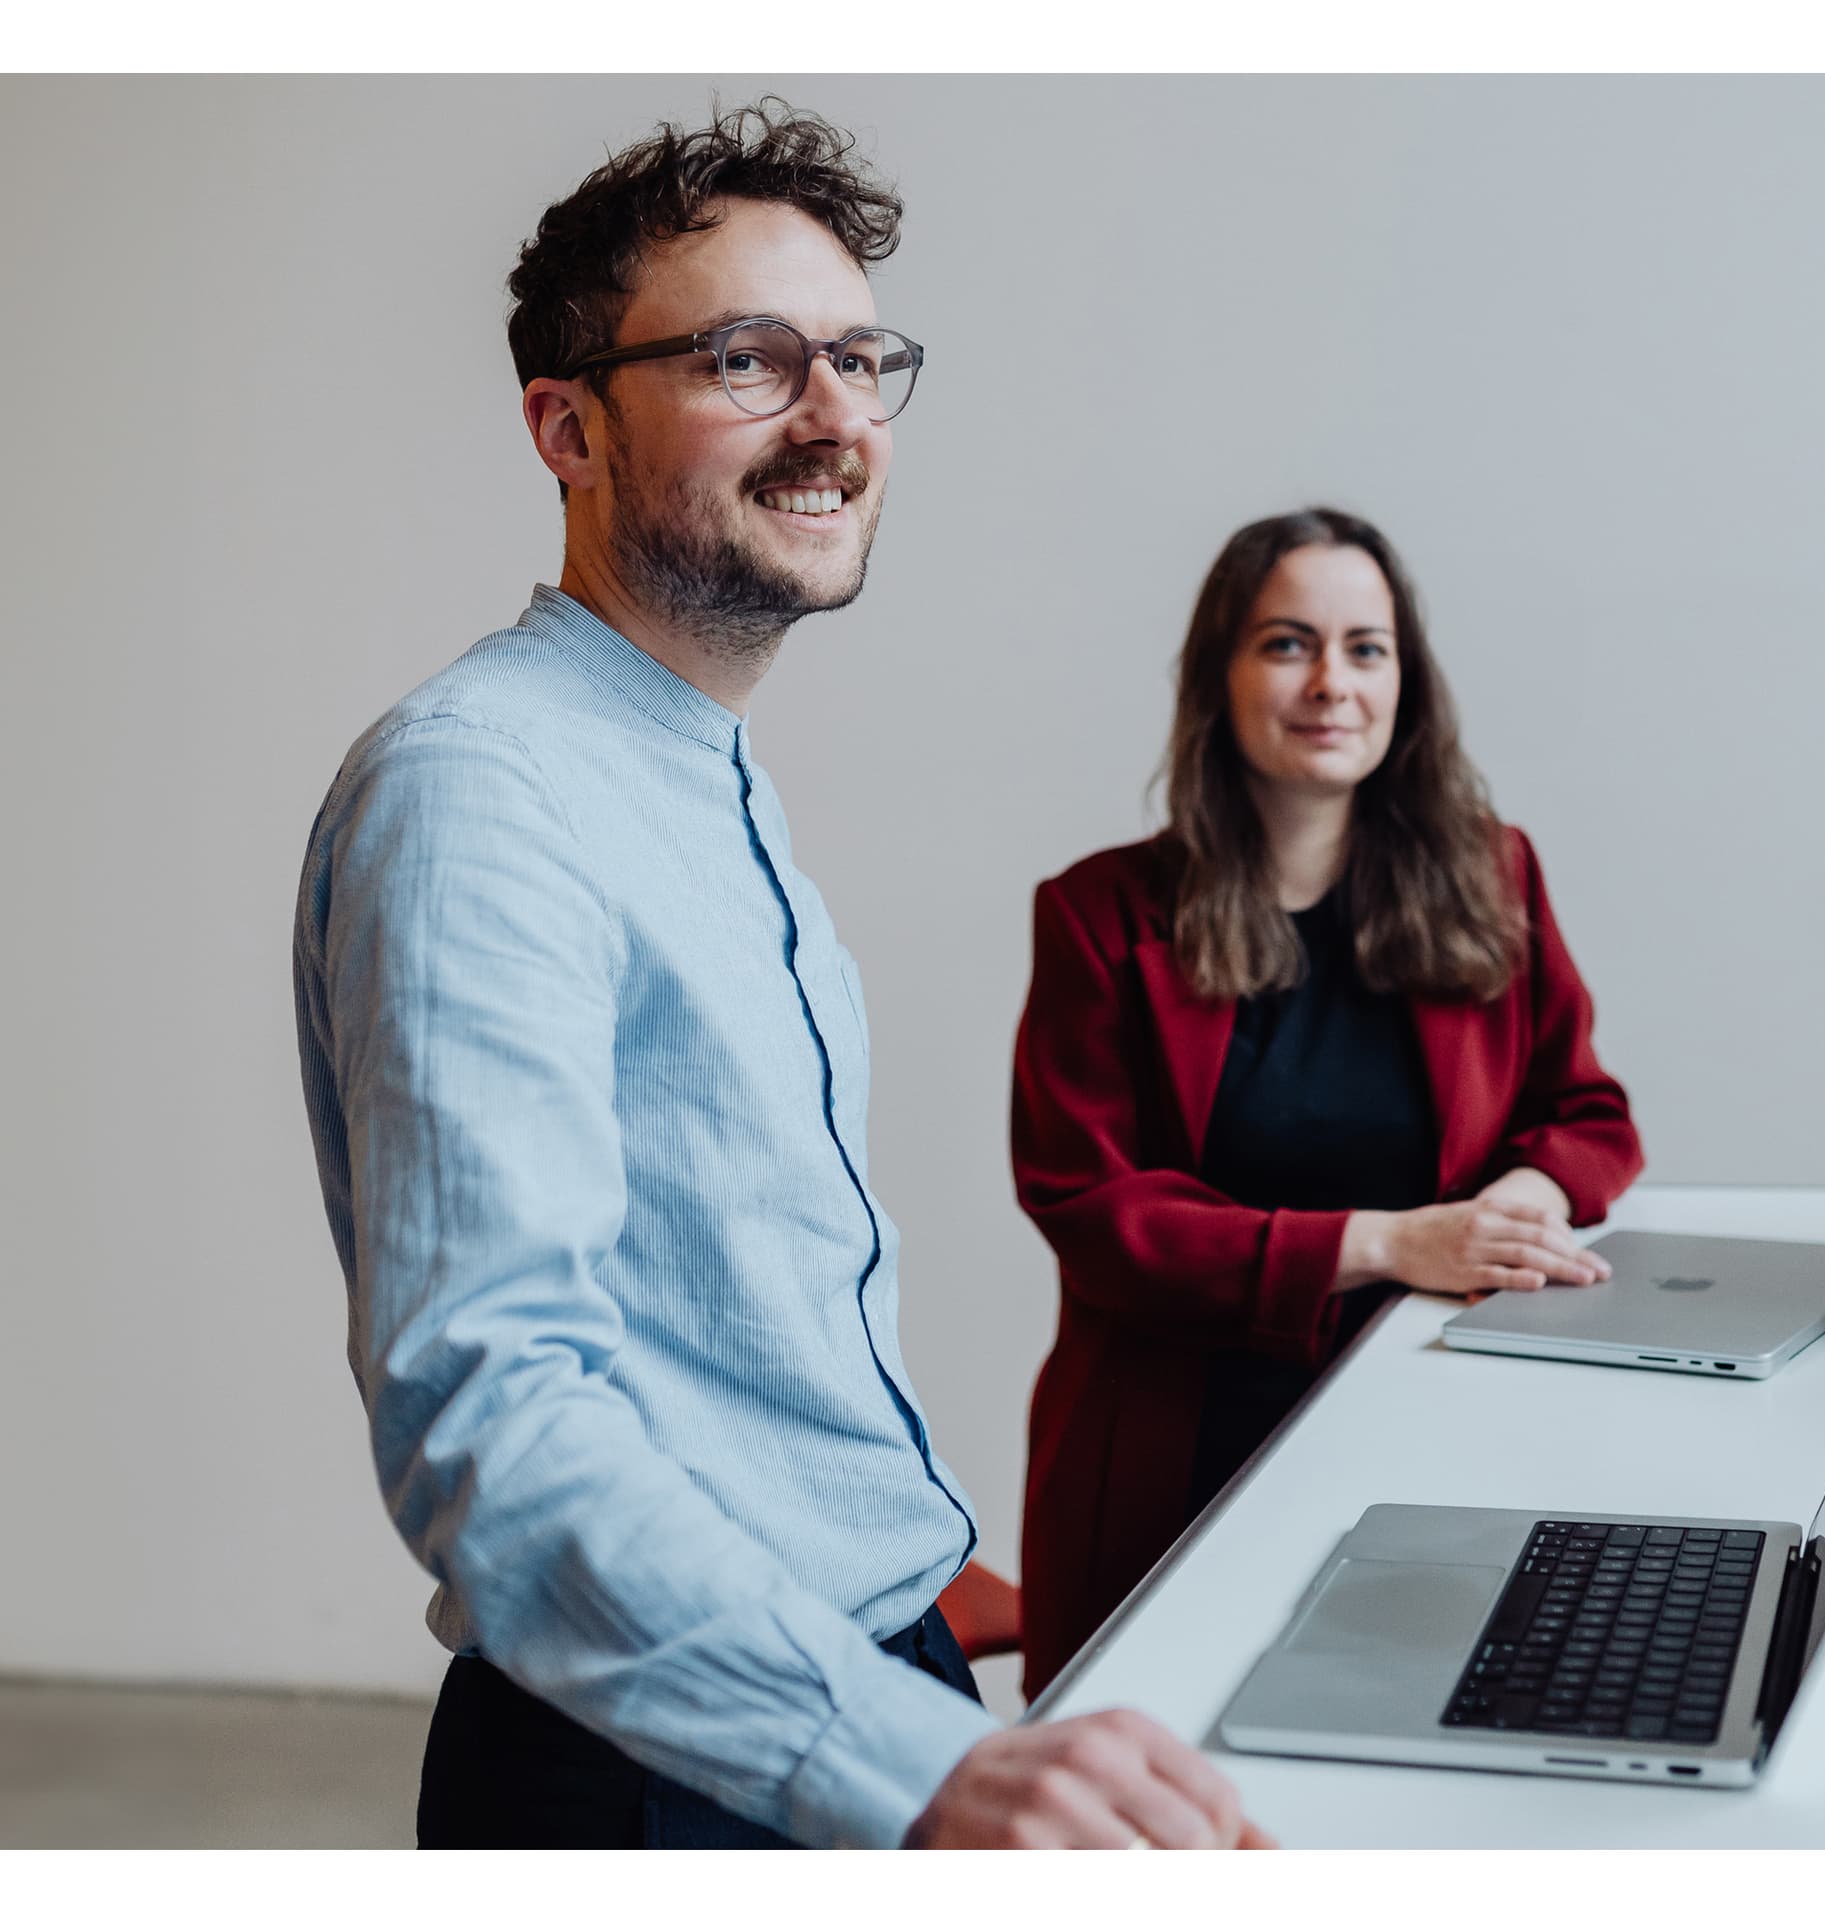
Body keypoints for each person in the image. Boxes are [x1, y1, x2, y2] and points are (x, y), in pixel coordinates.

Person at [291, 99, 1266, 1849]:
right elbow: (496, 1421)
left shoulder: (700, 782)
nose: (833, 417)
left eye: (862, 359)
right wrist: (913, 1756)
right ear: (568, 429)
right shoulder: (482, 795)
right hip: (661, 1775)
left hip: (848, 1670)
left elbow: (721, 1300)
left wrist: (895, 1565)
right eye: (749, 360)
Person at [1009, 509, 1644, 1697]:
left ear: (1406, 679)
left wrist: (1520, 1199)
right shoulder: (1097, 915)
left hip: (1434, 1425)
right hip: (1178, 1457)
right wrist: (1395, 1242)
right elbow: (1093, 1212)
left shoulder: (1493, 876)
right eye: (1288, 643)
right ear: (1221, 674)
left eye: (1367, 648)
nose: (1332, 684)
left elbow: (1589, 1109)